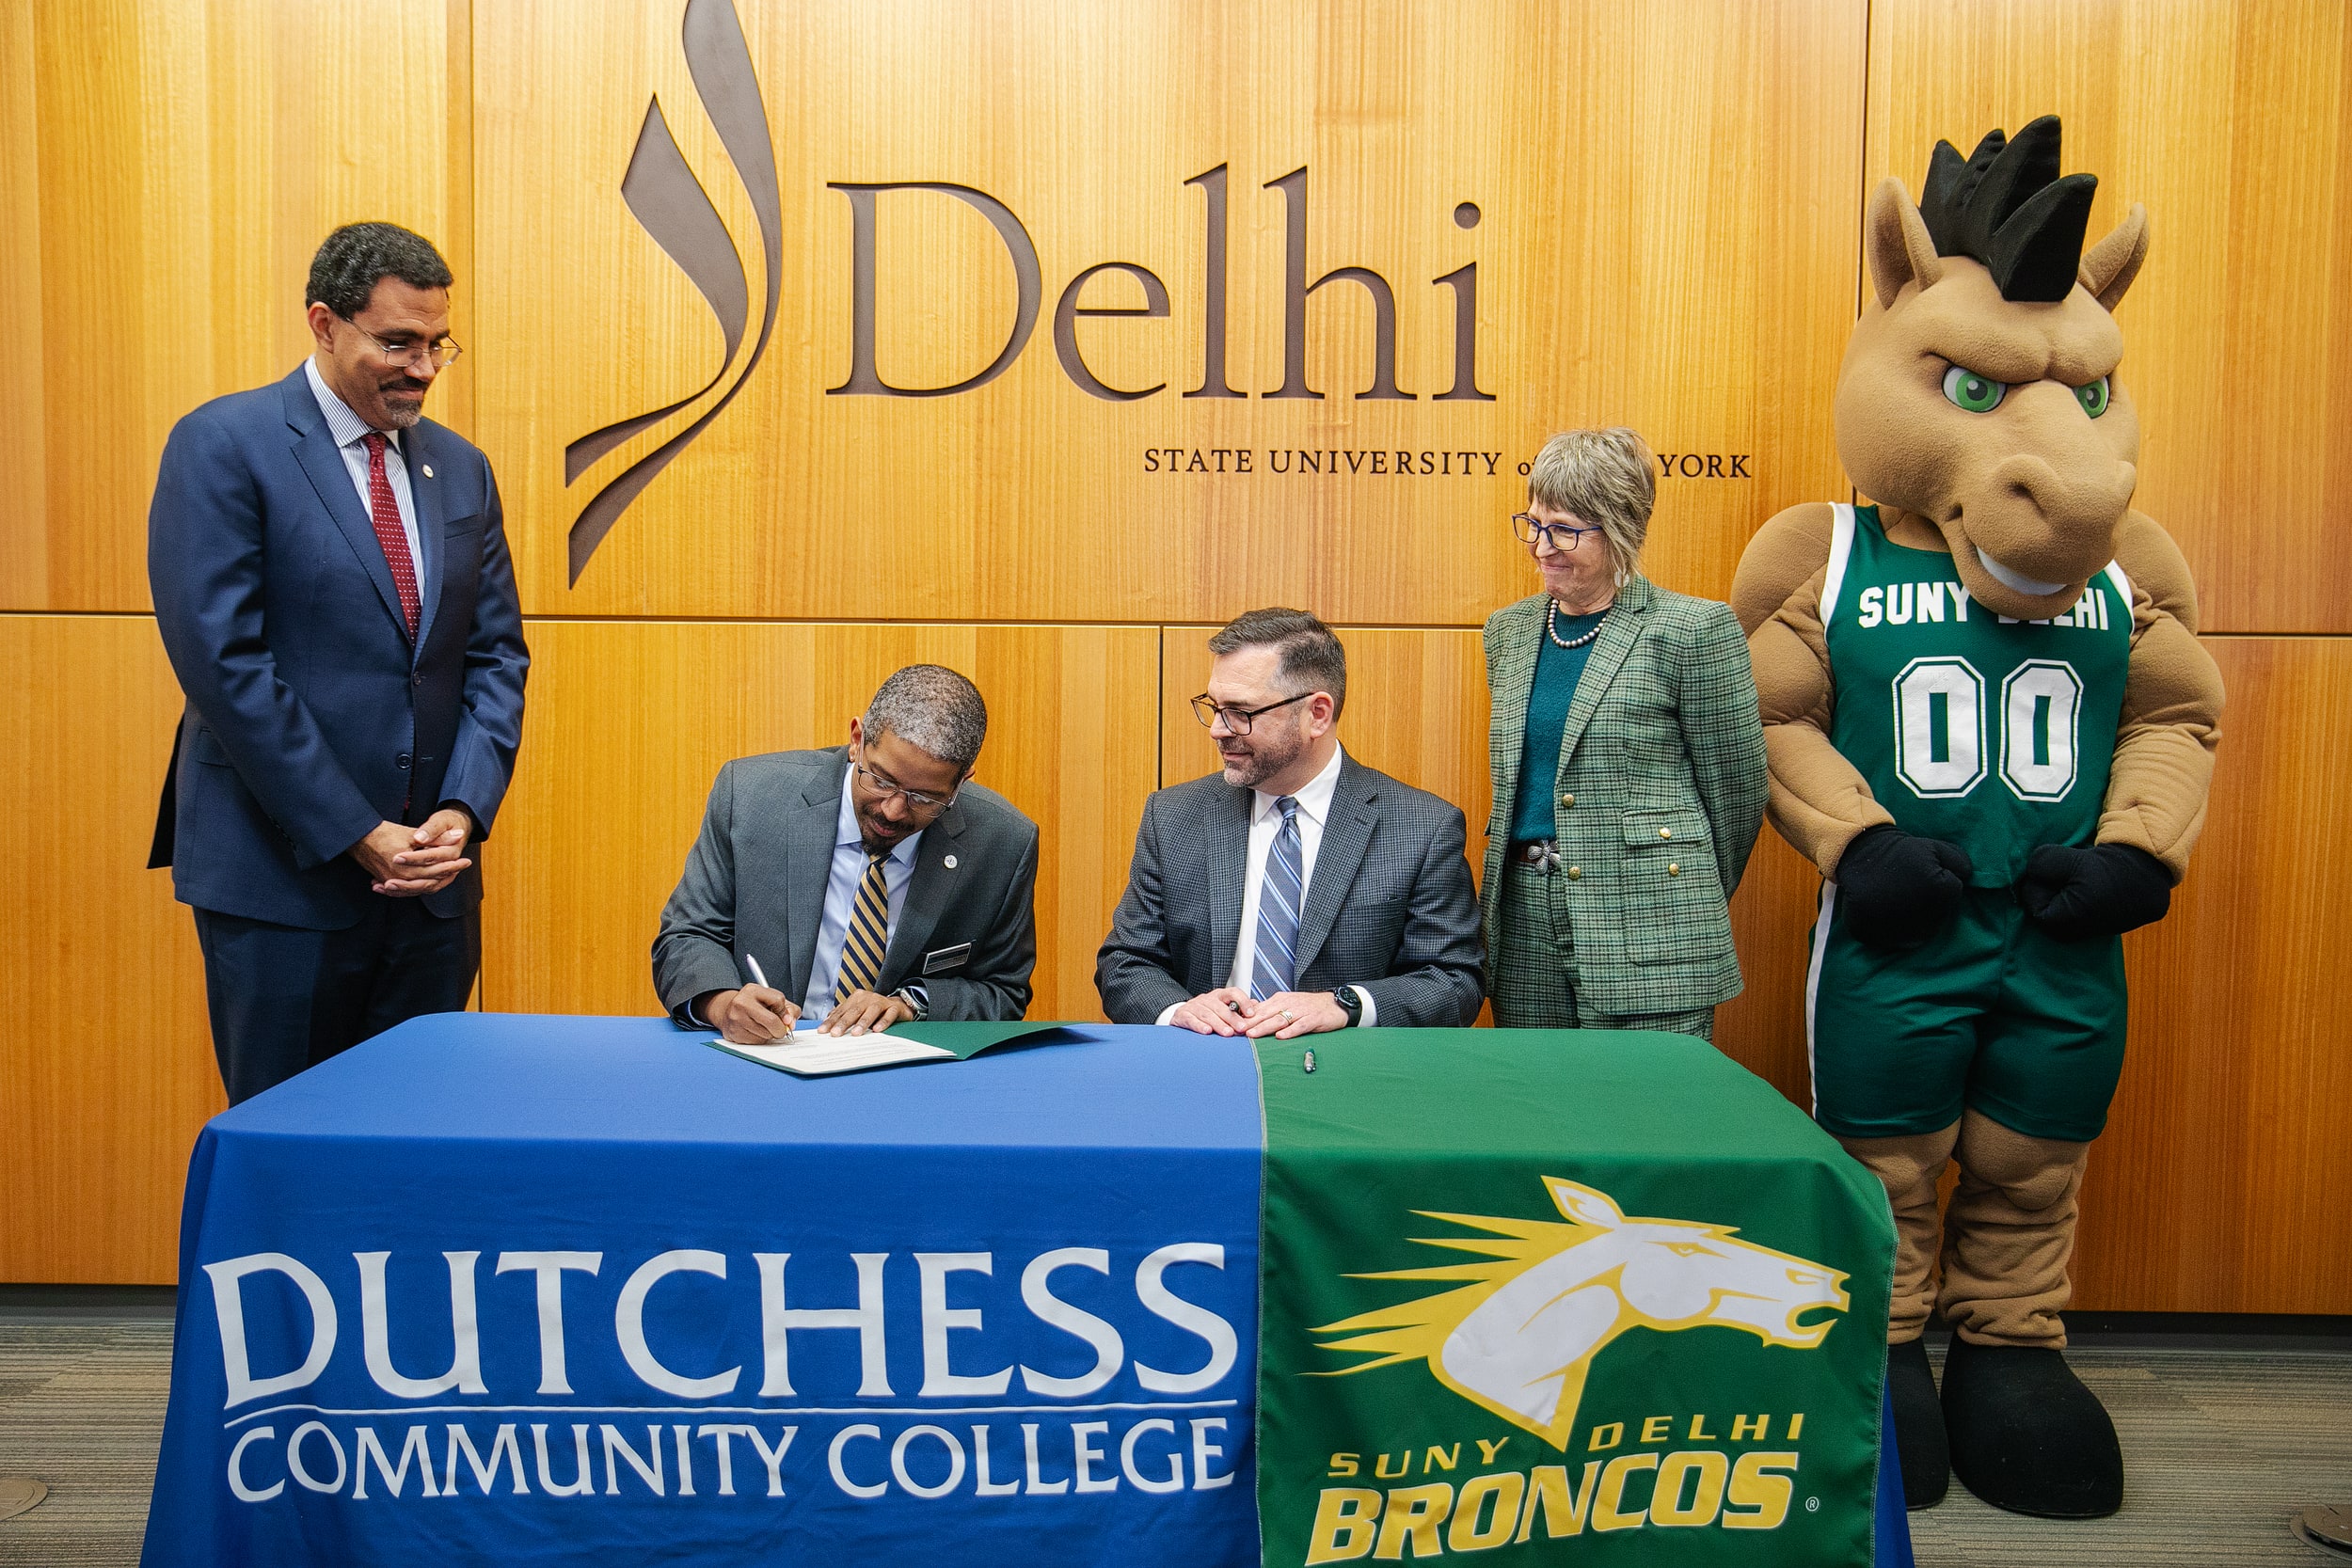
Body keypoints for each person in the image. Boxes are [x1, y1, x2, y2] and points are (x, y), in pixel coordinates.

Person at [148, 223, 529, 1104]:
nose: (423, 368)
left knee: (418, 1145)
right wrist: (358, 831)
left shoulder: (462, 469)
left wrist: (462, 810)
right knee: (291, 1142)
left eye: (439, 344)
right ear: (324, 324)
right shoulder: (224, 445)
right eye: (396, 342)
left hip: (432, 885)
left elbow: (495, 654)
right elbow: (224, 664)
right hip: (283, 880)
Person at [1482, 427, 1766, 1041]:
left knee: (1648, 1121)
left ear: (1617, 527)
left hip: (1651, 924)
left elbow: (1737, 796)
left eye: (1563, 529)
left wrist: (1665, 880)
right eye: (1532, 523)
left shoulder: (1694, 630)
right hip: (1524, 917)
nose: (1540, 545)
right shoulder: (1507, 631)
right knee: (1541, 1114)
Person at [1096, 609, 1485, 1037]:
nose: (1218, 730)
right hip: (1206, 1068)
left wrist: (1347, 1006)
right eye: (1214, 707)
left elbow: (1455, 982)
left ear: (1317, 714)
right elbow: (1126, 962)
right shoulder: (1174, 817)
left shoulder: (1421, 828)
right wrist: (1179, 1011)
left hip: (1346, 1077)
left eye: (1241, 712)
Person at [656, 665, 1039, 1039]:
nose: (893, 810)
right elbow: (688, 935)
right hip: (767, 1057)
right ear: (857, 740)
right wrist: (724, 1006)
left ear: (961, 782)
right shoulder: (751, 796)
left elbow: (1003, 991)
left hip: (904, 1078)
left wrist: (912, 1005)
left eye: (925, 798)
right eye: (881, 780)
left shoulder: (1003, 843)